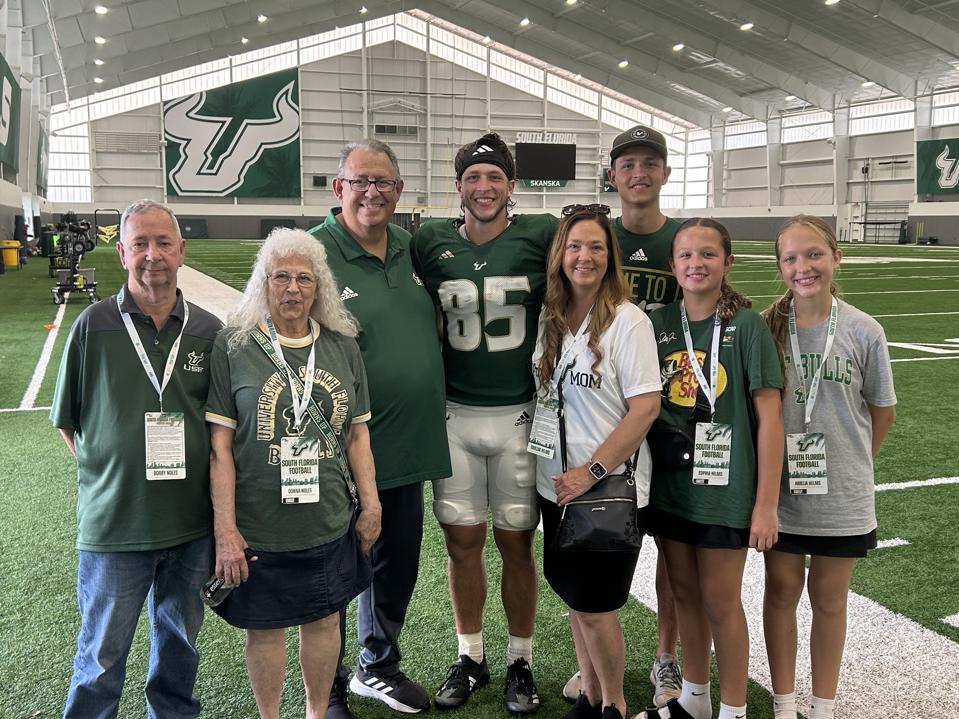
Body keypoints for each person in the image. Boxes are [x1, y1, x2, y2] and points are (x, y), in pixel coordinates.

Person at [51, 199, 222, 718]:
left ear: (182, 251)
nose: (153, 255)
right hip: (115, 527)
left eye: (163, 242)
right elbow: (68, 422)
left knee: (179, 652)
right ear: (122, 251)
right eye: (141, 244)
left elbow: (220, 429)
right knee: (101, 660)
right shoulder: (92, 325)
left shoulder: (209, 331)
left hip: (190, 526)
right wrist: (111, 475)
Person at [205, 227, 381, 719]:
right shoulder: (234, 345)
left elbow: (358, 435)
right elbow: (220, 445)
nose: (292, 288)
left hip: (326, 519)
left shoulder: (343, 346)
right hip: (259, 522)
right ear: (263, 282)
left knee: (325, 621)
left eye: (304, 277)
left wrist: (371, 503)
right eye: (280, 276)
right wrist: (226, 528)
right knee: (265, 628)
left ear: (319, 286)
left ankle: (316, 713)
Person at [410, 132, 558, 714]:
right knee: (462, 543)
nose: (484, 187)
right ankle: (470, 654)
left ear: (511, 185)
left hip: (521, 414)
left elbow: (592, 259)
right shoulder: (430, 242)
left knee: (517, 544)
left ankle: (520, 659)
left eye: (494, 176)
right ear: (458, 188)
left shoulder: (541, 235)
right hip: (453, 415)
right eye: (473, 177)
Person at [310, 139, 451, 717]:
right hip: (341, 450)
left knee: (396, 562)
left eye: (384, 183)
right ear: (338, 188)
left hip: (409, 444)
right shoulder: (313, 253)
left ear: (399, 191)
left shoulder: (412, 250)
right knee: (338, 567)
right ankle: (332, 680)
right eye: (360, 181)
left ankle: (379, 665)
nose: (373, 192)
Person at [638, 218, 784, 719]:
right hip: (671, 487)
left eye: (707, 254)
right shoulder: (657, 324)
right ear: (672, 265)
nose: (696, 264)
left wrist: (765, 505)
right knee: (683, 594)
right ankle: (693, 699)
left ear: (728, 262)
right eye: (685, 255)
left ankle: (734, 709)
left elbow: (769, 417)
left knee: (722, 602)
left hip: (725, 490)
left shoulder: (746, 324)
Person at [566, 123, 685, 708]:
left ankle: (665, 657)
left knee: (668, 545)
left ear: (665, 172)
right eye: (627, 164)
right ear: (612, 175)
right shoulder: (597, 238)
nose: (638, 173)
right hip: (604, 409)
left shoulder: (684, 240)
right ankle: (590, 666)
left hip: (672, 410)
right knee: (588, 539)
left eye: (650, 163)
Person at [760, 216, 896, 719]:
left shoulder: (864, 330)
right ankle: (783, 702)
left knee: (830, 600)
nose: (803, 267)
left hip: (842, 493)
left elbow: (882, 411)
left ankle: (823, 706)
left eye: (814, 254)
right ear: (780, 267)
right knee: (781, 594)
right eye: (791, 258)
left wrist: (854, 461)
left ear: (836, 258)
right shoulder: (767, 326)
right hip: (781, 494)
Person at [532, 205, 661, 719]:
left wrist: (593, 471)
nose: (584, 257)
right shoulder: (552, 315)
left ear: (610, 259)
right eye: (575, 247)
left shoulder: (628, 322)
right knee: (574, 598)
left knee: (596, 605)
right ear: (560, 254)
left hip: (605, 489)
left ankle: (614, 704)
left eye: (596, 248)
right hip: (557, 485)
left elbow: (646, 406)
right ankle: (587, 696)